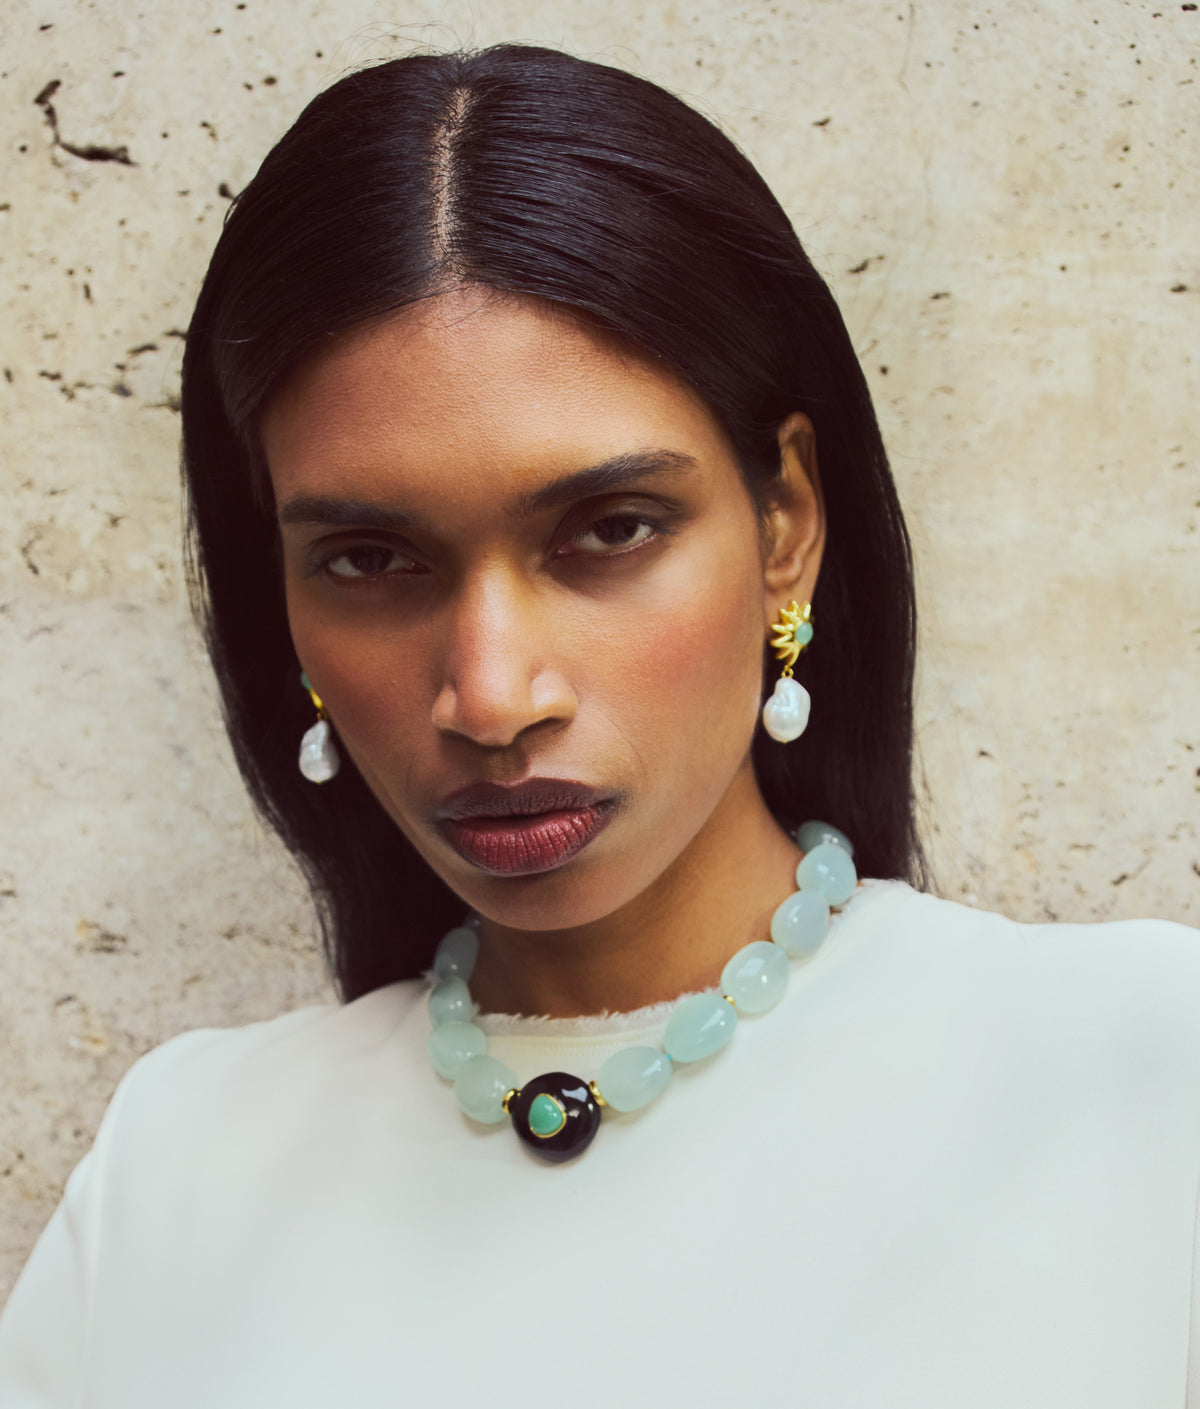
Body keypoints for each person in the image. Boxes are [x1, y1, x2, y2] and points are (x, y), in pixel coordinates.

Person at [0, 42, 1197, 1408]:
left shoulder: (1145, 1077)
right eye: (372, 561)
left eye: (607, 531)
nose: (495, 696)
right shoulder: (181, 1165)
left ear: (786, 524)